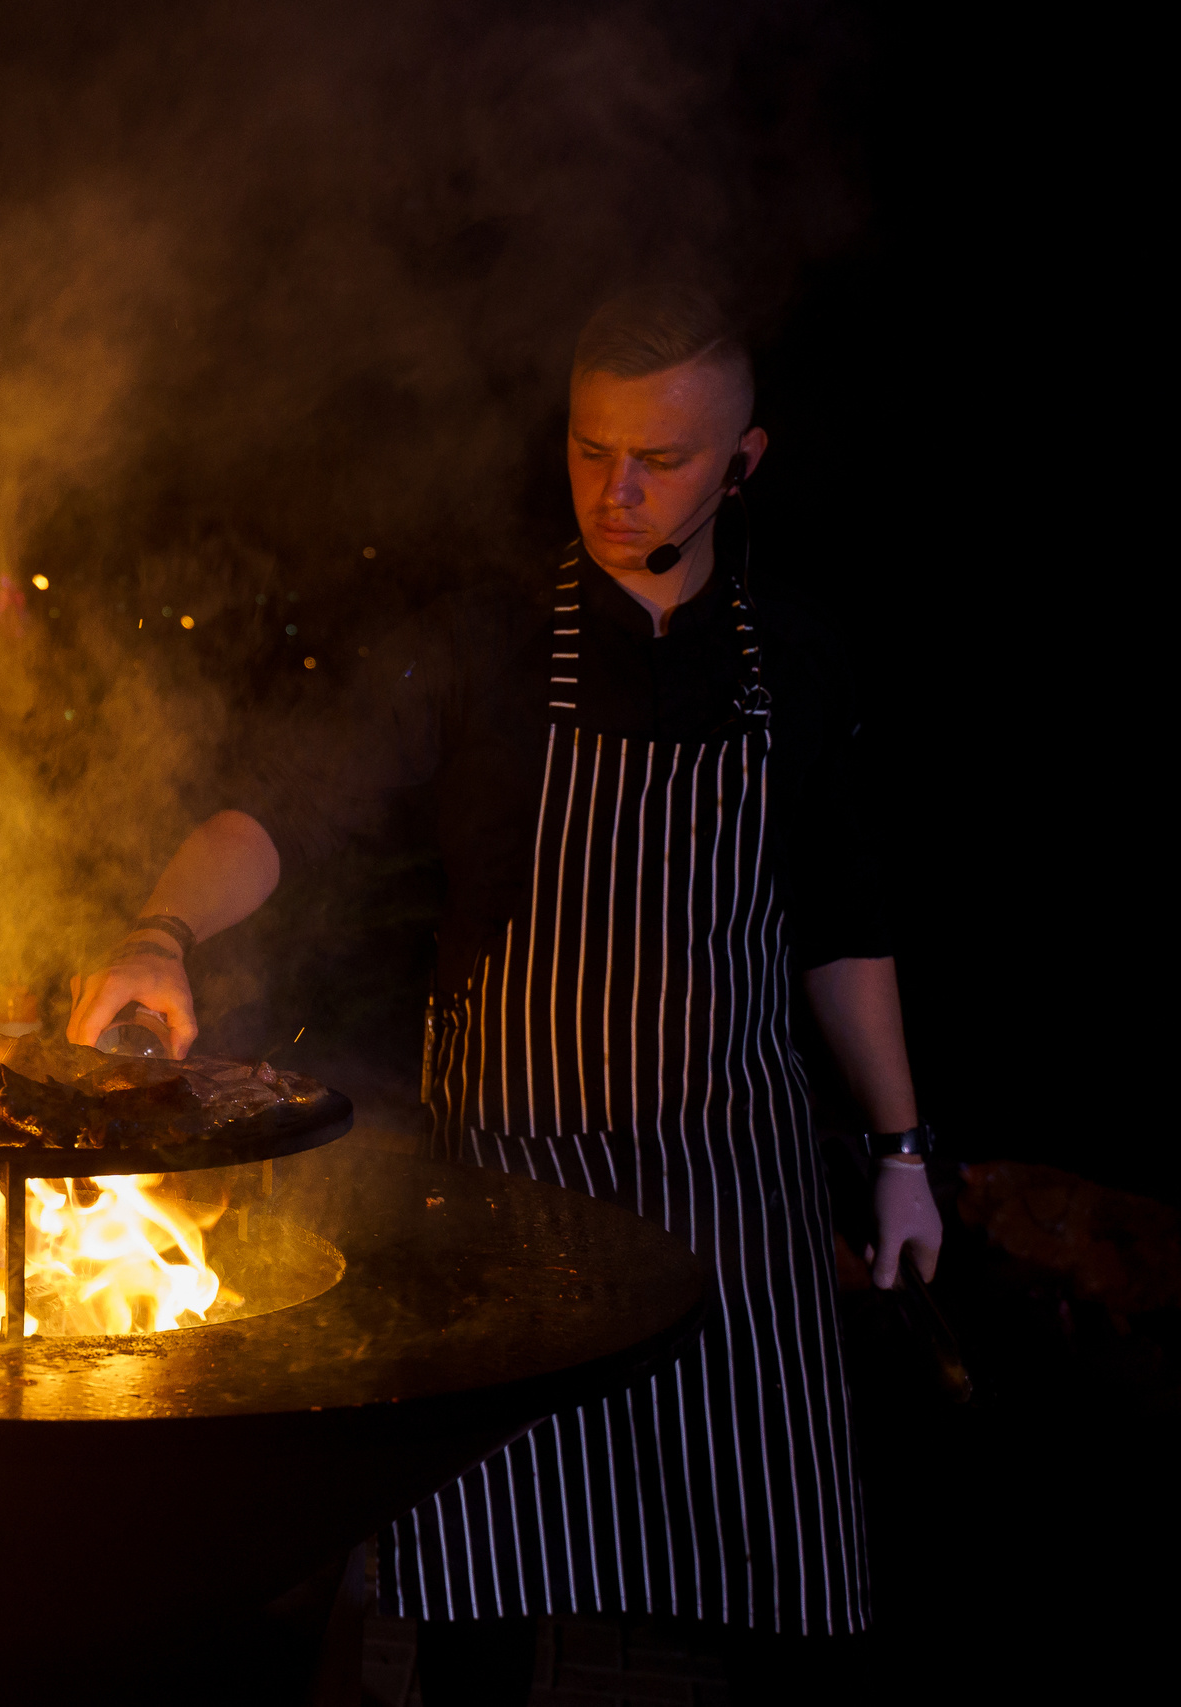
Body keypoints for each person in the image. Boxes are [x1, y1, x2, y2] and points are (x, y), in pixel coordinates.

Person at [69, 286, 940, 1701]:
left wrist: (901, 1153)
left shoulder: (797, 654)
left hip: (737, 1188)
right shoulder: (479, 639)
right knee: (484, 1594)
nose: (618, 489)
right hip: (515, 1195)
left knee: (771, 1587)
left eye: (660, 457)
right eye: (592, 449)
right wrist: (160, 928)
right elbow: (283, 811)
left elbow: (841, 923)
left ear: (744, 463)